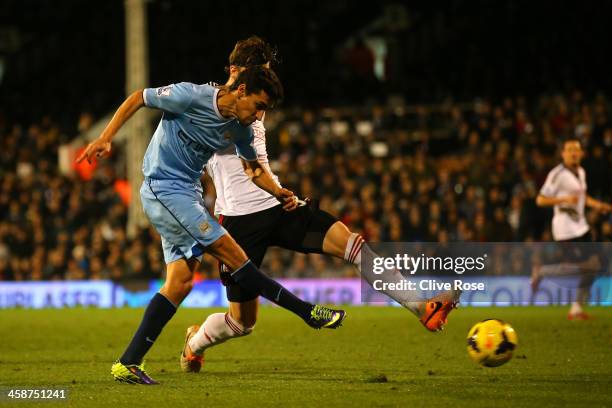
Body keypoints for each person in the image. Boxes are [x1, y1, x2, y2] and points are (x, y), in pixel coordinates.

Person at [179, 37, 460, 374]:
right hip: (237, 221)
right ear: (238, 72)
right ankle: (194, 344)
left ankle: (422, 308)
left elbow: (256, 163)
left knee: (351, 243)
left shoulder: (255, 99)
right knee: (242, 323)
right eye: (261, 74)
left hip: (277, 203)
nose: (266, 89)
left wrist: (280, 191)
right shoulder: (205, 101)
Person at [77, 65, 346, 385]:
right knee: (234, 256)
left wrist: (278, 192)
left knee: (180, 282)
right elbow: (139, 97)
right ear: (242, 90)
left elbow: (253, 170)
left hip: (187, 194)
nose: (260, 116)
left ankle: (128, 363)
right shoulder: (190, 96)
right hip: (163, 189)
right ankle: (308, 313)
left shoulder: (241, 128)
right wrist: (106, 138)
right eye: (259, 106)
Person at [533, 138, 611, 319]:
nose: (574, 153)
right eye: (569, 150)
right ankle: (542, 271)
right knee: (585, 266)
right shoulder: (557, 174)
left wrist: (598, 205)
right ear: (563, 154)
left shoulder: (581, 172)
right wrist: (563, 200)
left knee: (600, 264)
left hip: (581, 227)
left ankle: (576, 308)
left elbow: (583, 197)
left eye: (577, 149)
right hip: (565, 230)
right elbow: (540, 199)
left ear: (582, 153)